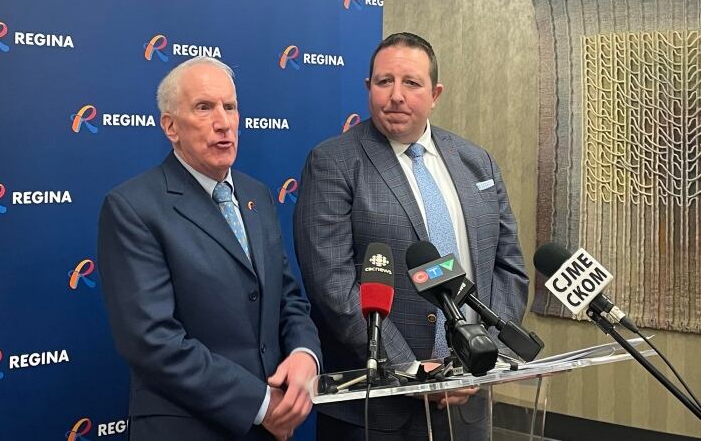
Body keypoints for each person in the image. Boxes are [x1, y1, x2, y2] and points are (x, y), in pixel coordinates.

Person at [293, 32, 528, 440]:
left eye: (412, 83)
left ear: (435, 93)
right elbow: (333, 286)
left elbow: (508, 267)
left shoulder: (477, 162)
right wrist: (410, 371)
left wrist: (483, 359)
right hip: (377, 410)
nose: (396, 95)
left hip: (467, 403)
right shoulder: (333, 162)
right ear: (369, 88)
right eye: (384, 82)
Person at [98, 56, 321, 441]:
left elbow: (288, 298)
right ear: (170, 126)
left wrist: (305, 355)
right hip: (188, 428)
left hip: (273, 429)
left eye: (230, 107)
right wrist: (260, 404)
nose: (223, 122)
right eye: (204, 107)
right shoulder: (133, 207)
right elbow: (152, 341)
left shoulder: (257, 195)